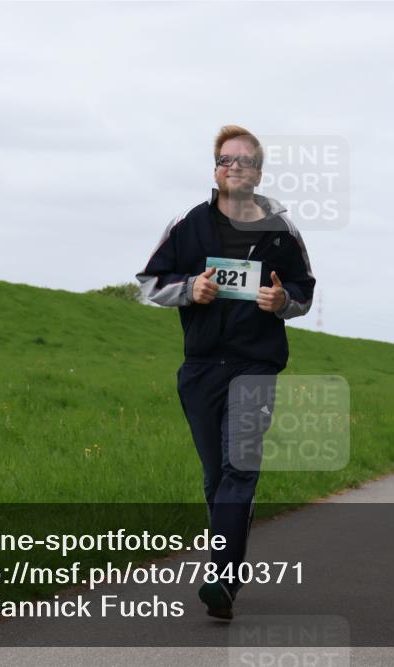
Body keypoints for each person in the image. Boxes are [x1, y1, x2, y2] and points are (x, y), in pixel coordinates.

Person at [137, 125, 315, 620]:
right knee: (217, 478)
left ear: (258, 172)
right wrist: (191, 287)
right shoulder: (189, 222)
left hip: (254, 365)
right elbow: (151, 282)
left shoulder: (282, 230)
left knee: (240, 469)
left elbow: (304, 290)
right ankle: (229, 573)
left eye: (243, 161)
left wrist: (283, 301)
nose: (233, 166)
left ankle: (219, 578)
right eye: (224, 159)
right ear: (214, 168)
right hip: (199, 368)